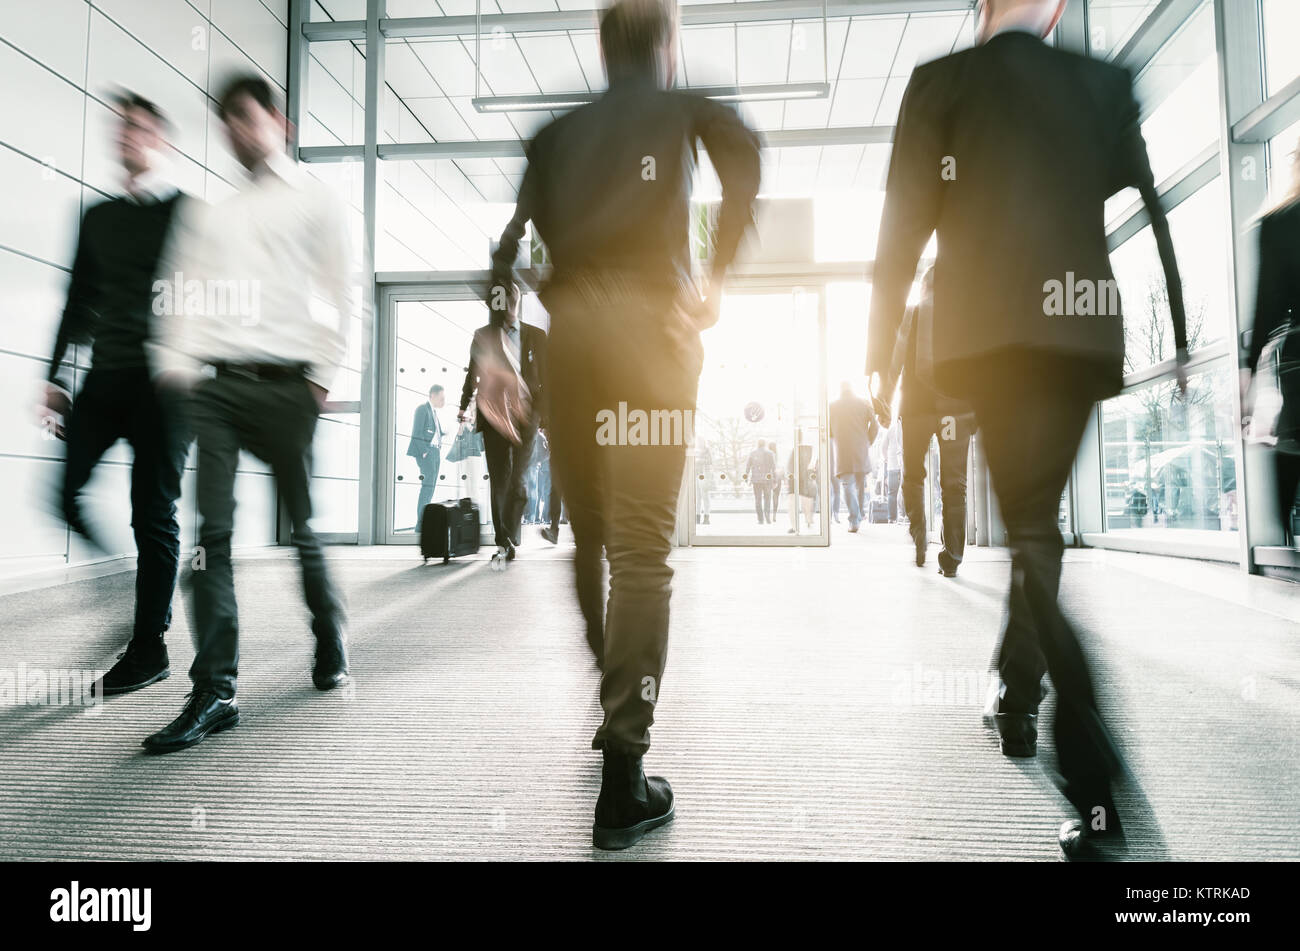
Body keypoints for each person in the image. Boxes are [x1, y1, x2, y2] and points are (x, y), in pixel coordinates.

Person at [865, 0, 1188, 860]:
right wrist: (1184, 333)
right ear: (1048, 9)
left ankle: (1096, 785)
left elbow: (902, 227)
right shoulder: (1101, 82)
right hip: (1080, 337)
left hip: (997, 343)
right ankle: (1015, 697)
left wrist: (876, 351)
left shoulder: (943, 84)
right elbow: (1150, 202)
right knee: (1037, 531)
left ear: (980, 9)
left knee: (1036, 531)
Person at [486, 0, 760, 850]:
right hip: (652, 337)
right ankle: (622, 774)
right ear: (668, 46)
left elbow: (505, 255)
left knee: (593, 538)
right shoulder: (686, 108)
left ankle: (615, 695)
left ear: (603, 49)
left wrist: (499, 349)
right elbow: (746, 161)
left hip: (571, 345)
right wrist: (712, 276)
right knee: (643, 548)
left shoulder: (557, 132)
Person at [145, 74, 357, 753]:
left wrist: (323, 377)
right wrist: (177, 371)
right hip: (220, 391)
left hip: (290, 387)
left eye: (245, 115)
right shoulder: (216, 213)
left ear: (277, 120)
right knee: (212, 532)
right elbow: (186, 295)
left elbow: (343, 293)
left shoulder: (319, 201)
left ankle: (328, 628)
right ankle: (216, 687)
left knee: (300, 527)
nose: (235, 129)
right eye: (224, 120)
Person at [39, 93, 190, 697]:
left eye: (139, 129)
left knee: (152, 515)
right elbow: (78, 301)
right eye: (120, 128)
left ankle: (148, 646)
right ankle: (124, 586)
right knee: (64, 494)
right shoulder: (96, 217)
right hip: (106, 378)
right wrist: (56, 376)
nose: (126, 136)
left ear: (162, 142)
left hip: (165, 385)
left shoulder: (188, 216)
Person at [889, 266, 974, 575]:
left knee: (912, 475)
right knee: (955, 486)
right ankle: (952, 557)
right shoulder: (966, 319)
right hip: (955, 409)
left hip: (915, 409)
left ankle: (919, 536)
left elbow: (896, 359)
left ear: (923, 287)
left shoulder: (912, 315)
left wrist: (885, 399)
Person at [458, 281, 547, 568]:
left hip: (525, 418)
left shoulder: (535, 335)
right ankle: (503, 539)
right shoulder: (483, 336)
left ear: (517, 301)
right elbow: (473, 375)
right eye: (502, 299)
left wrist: (545, 418)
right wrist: (463, 407)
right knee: (499, 478)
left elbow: (545, 379)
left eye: (511, 298)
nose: (507, 304)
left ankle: (511, 533)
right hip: (493, 415)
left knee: (518, 480)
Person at [1243, 134, 1300, 539]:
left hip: (1299, 360)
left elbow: (1267, 305)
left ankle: (1286, 545)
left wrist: (1248, 368)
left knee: (1292, 452)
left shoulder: (1280, 223)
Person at [828, 380, 878, 532]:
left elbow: (829, 430)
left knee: (847, 486)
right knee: (859, 486)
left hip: (843, 451)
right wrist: (868, 441)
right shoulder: (863, 403)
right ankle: (857, 516)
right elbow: (874, 426)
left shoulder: (832, 406)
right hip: (861, 451)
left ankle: (854, 518)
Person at [407, 384, 446, 528]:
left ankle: (423, 523)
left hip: (435, 452)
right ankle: (420, 524)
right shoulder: (422, 409)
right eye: (441, 398)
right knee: (427, 487)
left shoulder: (434, 412)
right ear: (433, 395)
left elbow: (435, 433)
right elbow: (416, 432)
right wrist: (424, 452)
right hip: (427, 453)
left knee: (430, 487)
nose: (443, 401)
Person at [744, 439, 776, 524]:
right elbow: (774, 467)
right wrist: (775, 480)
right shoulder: (770, 453)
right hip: (767, 480)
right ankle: (767, 515)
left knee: (758, 499)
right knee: (767, 498)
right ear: (765, 444)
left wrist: (746, 477)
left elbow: (748, 466)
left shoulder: (752, 453)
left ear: (757, 444)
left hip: (756, 479)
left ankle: (760, 519)